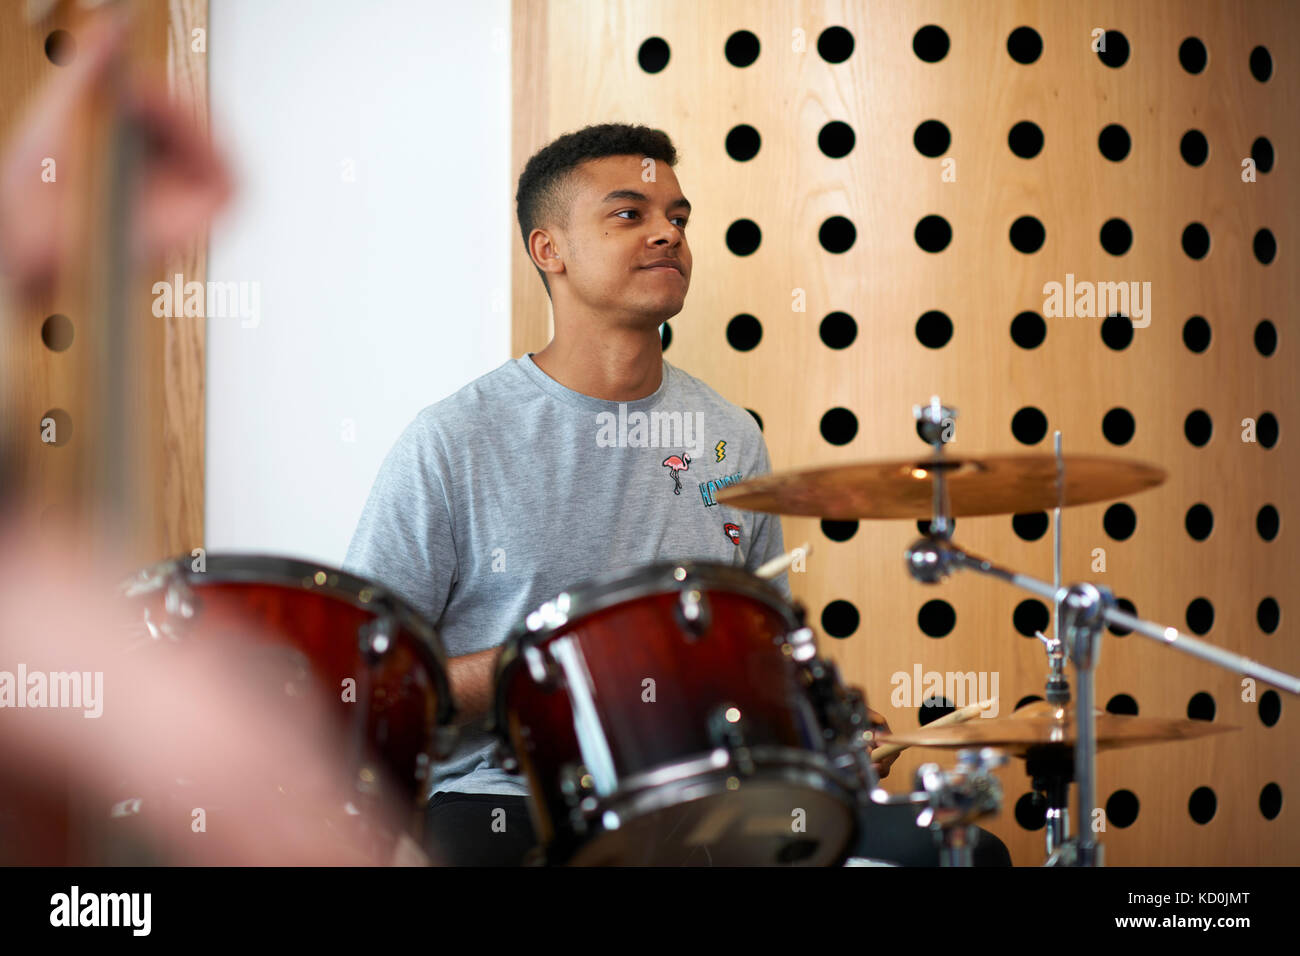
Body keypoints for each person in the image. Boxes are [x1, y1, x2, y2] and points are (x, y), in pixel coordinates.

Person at [342, 123, 1010, 866]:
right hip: (506, 801)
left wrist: (817, 727)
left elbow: (752, 664)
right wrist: (565, 666)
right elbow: (366, 682)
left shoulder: (729, 437)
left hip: (707, 796)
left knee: (961, 853)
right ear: (549, 250)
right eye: (630, 215)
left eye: (679, 218)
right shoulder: (452, 442)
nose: (667, 234)